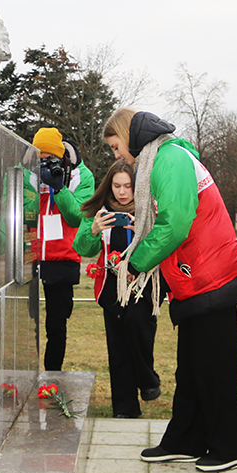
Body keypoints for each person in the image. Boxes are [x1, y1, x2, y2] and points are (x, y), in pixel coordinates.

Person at [103, 108, 237, 473]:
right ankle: (186, 438)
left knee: (216, 367)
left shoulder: (169, 160)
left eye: (115, 146)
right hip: (195, 278)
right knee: (191, 368)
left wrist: (134, 262)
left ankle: (230, 445)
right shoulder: (163, 159)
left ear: (130, 137)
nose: (117, 157)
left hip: (210, 276)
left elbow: (175, 222)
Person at [74, 159, 163, 418]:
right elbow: (83, 248)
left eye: (128, 186)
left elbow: (166, 241)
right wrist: (93, 230)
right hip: (111, 285)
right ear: (108, 185)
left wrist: (145, 234)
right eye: (117, 186)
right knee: (118, 346)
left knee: (140, 328)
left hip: (144, 282)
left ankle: (147, 380)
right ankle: (125, 408)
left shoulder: (151, 208)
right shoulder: (99, 210)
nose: (122, 192)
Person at [29, 127, 95, 371]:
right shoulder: (29, 173)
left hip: (62, 257)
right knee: (27, 322)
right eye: (40, 158)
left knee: (56, 323)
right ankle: (26, 375)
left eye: (49, 159)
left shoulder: (80, 176)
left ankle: (52, 374)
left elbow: (78, 217)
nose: (44, 164)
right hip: (30, 256)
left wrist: (59, 188)